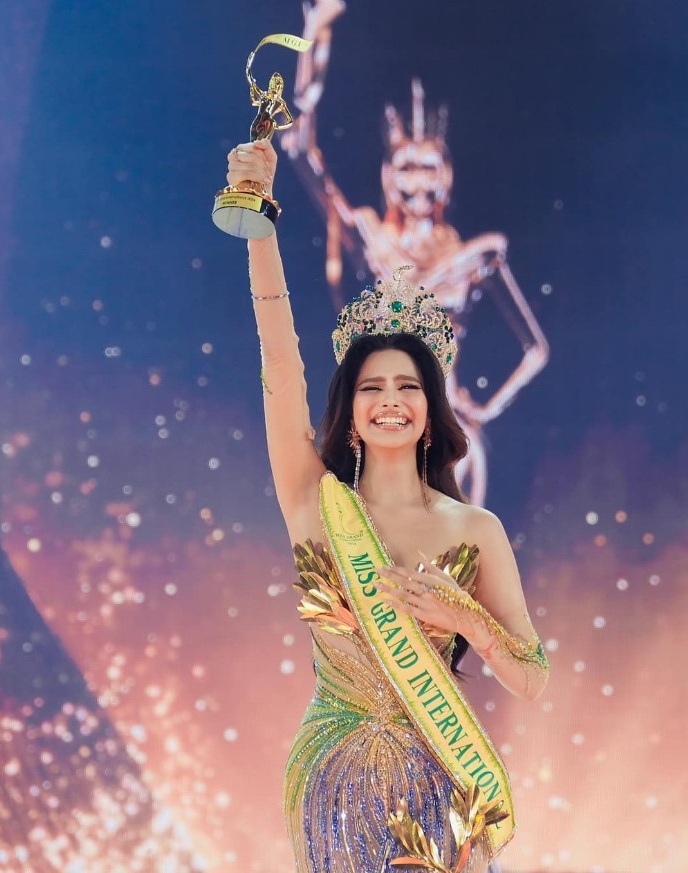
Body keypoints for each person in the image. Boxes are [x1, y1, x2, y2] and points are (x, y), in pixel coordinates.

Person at [227, 139, 549, 873]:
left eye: (408, 387)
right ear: (351, 409)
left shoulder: (475, 530)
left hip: (444, 783)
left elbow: (532, 675)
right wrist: (258, 226)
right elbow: (280, 361)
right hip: (334, 784)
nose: (391, 400)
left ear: (431, 409)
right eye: (372, 387)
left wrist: (467, 620)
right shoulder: (315, 502)